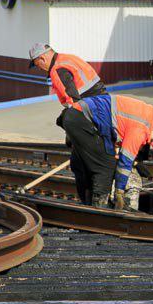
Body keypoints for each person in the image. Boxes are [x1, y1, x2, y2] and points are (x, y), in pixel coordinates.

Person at [29, 43, 110, 204]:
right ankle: (97, 201)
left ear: (42, 58)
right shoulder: (69, 58)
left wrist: (71, 131)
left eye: (37, 64)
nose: (39, 68)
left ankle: (91, 203)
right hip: (102, 108)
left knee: (80, 163)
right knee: (95, 158)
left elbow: (73, 102)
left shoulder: (57, 70)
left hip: (90, 114)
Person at [71, 93, 153, 210]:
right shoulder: (140, 125)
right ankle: (99, 205)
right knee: (106, 174)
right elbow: (125, 158)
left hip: (89, 120)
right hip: (91, 123)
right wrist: (120, 190)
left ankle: (101, 203)